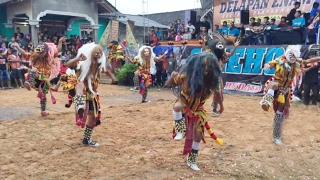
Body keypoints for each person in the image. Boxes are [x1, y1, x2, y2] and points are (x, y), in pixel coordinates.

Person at [165, 52, 223, 171]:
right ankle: (180, 130)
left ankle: (192, 160)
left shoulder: (213, 81)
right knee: (177, 107)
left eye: (209, 66)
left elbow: (218, 94)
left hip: (198, 111)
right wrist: (171, 77)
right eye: (204, 65)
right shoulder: (185, 76)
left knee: (198, 136)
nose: (207, 69)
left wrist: (221, 106)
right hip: (184, 103)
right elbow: (169, 84)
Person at [260, 45, 320, 145]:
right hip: (275, 86)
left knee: (280, 113)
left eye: (294, 56)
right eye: (291, 55)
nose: (292, 58)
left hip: (285, 90)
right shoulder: (279, 61)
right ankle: (266, 101)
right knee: (274, 85)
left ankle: (276, 136)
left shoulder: (297, 62)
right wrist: (267, 65)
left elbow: (307, 62)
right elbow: (270, 64)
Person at [65, 43, 106, 146]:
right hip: (81, 92)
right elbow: (68, 64)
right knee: (80, 85)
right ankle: (80, 105)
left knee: (92, 119)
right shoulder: (81, 65)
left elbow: (105, 70)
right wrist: (77, 59)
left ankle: (86, 139)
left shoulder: (98, 66)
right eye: (95, 53)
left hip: (92, 95)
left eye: (99, 53)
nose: (97, 55)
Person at [12, 37, 64, 116]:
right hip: (37, 77)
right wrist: (17, 47)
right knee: (34, 70)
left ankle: (43, 111)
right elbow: (24, 53)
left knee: (43, 95)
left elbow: (58, 51)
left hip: (44, 80)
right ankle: (29, 82)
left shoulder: (48, 57)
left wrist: (60, 41)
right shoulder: (34, 56)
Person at [201, 38, 240, 116]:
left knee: (217, 92)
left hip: (217, 75)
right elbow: (204, 50)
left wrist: (235, 47)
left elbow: (230, 54)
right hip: (210, 74)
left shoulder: (222, 54)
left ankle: (215, 108)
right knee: (205, 91)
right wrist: (204, 43)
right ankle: (200, 106)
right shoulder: (211, 54)